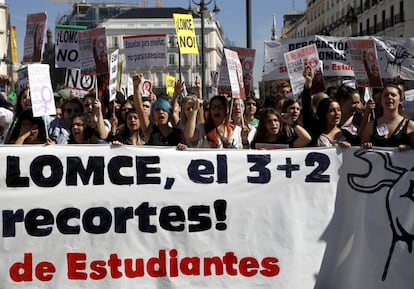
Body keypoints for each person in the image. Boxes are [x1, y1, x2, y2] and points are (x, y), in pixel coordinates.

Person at [360, 83, 414, 151]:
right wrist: (366, 145)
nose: (389, 97)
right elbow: (360, 149)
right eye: (385, 95)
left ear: (401, 100)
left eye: (393, 95)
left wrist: (409, 148)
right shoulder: (370, 126)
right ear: (381, 101)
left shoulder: (411, 126)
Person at [133, 74, 183, 146]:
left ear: (169, 114)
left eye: (164, 110)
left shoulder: (179, 133)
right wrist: (136, 87)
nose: (161, 112)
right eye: (157, 110)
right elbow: (139, 109)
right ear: (153, 114)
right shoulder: (149, 131)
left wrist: (184, 147)